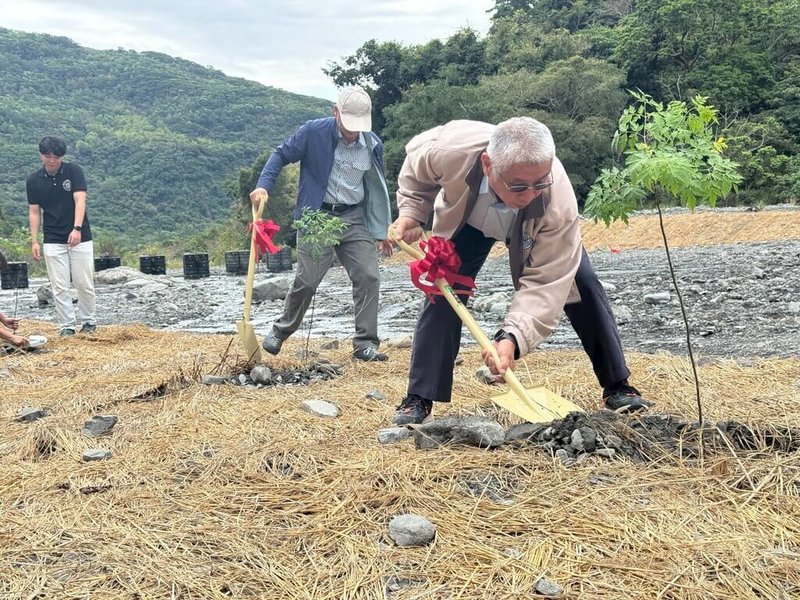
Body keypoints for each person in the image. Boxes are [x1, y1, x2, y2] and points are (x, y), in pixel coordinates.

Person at [389, 118, 650, 425]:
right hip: (468, 219)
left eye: (539, 183)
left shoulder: (556, 200)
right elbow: (415, 172)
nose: (529, 195)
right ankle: (420, 396)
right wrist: (412, 212)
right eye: (518, 185)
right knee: (444, 291)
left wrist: (512, 337)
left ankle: (617, 385)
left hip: (534, 226)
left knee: (582, 283)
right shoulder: (449, 151)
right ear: (488, 165)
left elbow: (546, 280)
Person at [249, 86, 393, 361]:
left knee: (368, 276)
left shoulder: (372, 143)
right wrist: (263, 186)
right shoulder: (312, 132)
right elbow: (280, 155)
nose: (353, 131)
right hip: (317, 216)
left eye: (358, 125)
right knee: (307, 280)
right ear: (335, 112)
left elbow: (377, 187)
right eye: (348, 124)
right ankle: (281, 331)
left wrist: (382, 227)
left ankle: (365, 343)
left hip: (354, 217)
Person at [26, 136, 97, 337]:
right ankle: (67, 326)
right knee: (59, 285)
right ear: (41, 155)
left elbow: (80, 200)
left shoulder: (73, 171)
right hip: (52, 238)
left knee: (83, 282)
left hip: (80, 236)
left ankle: (88, 322)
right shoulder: (33, 180)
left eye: (56, 157)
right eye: (48, 156)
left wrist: (77, 228)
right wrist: (34, 240)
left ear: (62, 157)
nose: (52, 161)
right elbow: (34, 212)